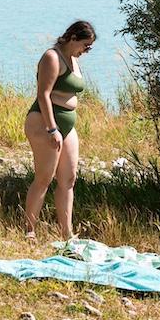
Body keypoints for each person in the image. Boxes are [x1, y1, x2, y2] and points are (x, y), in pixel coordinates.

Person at [22, 20, 96, 240]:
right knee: (44, 177)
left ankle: (67, 233)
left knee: (68, 179)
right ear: (73, 38)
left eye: (89, 47)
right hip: (45, 122)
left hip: (67, 125)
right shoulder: (52, 57)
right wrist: (52, 128)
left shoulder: (73, 59)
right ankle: (29, 231)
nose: (86, 51)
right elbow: (43, 94)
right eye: (85, 45)